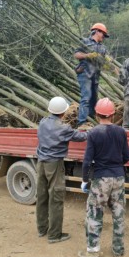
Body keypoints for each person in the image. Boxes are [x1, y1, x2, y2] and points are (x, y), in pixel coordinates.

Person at [78, 98, 129, 257]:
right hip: (119, 178)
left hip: (101, 180)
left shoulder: (94, 133)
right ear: (113, 114)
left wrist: (85, 180)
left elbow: (87, 161)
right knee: (119, 214)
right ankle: (118, 249)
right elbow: (127, 156)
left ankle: (93, 251)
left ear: (96, 113)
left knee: (94, 213)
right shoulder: (121, 132)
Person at [36, 96, 88, 244]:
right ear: (63, 112)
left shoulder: (43, 122)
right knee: (56, 198)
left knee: (42, 196)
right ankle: (54, 235)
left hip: (40, 163)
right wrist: (92, 132)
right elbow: (80, 136)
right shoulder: (64, 128)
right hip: (54, 164)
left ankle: (41, 229)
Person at [74, 23, 109, 130]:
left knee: (94, 98)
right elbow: (76, 55)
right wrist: (87, 55)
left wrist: (109, 63)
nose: (104, 37)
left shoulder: (103, 48)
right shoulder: (85, 42)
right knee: (86, 97)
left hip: (95, 75)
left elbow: (106, 61)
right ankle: (81, 122)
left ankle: (91, 117)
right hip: (85, 74)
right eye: (103, 34)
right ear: (97, 31)